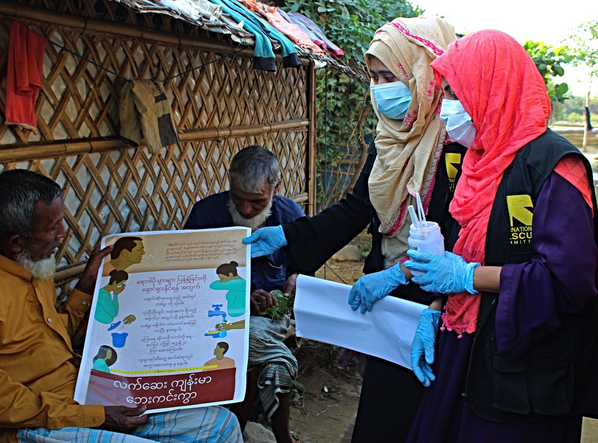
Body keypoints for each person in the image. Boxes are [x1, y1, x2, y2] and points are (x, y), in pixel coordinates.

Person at [243, 17, 460, 442]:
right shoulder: (389, 138)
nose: (379, 88)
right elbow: (357, 208)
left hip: (438, 296)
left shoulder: (456, 141)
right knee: (381, 406)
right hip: (388, 294)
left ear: (424, 73)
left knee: (426, 408)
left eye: (389, 77)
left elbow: (463, 231)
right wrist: (288, 235)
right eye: (375, 77)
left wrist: (403, 274)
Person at [403, 29, 598, 443]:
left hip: (524, 368)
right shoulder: (477, 160)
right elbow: (460, 249)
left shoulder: (555, 167)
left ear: (492, 88)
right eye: (447, 93)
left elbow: (568, 281)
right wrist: (437, 304)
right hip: (466, 346)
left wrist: (468, 277)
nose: (448, 107)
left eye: (458, 92)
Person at [0, 169, 243, 443]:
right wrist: (93, 415)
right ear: (17, 242)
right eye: (52, 227)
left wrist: (85, 286)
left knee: (221, 426)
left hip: (81, 391)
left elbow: (54, 339)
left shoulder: (34, 266)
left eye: (61, 220)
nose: (63, 233)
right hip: (26, 424)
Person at [184, 145, 305, 443]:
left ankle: (238, 429)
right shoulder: (206, 214)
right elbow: (188, 276)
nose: (246, 209)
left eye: (257, 201)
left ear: (276, 189)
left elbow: (305, 269)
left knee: (249, 337)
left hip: (276, 314)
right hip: (214, 312)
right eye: (238, 198)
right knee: (252, 345)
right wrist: (237, 296)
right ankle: (265, 434)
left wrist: (296, 278)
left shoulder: (292, 217)